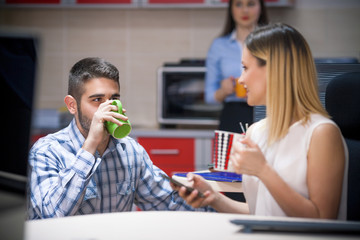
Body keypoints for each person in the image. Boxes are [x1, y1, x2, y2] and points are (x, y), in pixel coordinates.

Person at [172, 23, 348, 219]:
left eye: (245, 68)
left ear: (274, 70)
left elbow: (322, 219)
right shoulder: (255, 132)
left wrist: (263, 170)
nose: (240, 80)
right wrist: (213, 197)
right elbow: (260, 211)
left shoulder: (321, 133)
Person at [27, 57, 213, 219]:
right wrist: (90, 145)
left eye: (114, 99)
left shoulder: (130, 151)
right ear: (72, 105)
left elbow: (167, 202)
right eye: (97, 100)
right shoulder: (46, 151)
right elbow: (52, 216)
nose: (108, 109)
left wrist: (216, 210)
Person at [205, 0, 268, 133]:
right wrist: (223, 91)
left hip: (266, 112)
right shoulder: (218, 46)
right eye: (239, 4)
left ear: (260, 7)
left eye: (251, 4)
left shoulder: (271, 43)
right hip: (233, 115)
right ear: (231, 9)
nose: (245, 10)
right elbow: (209, 96)